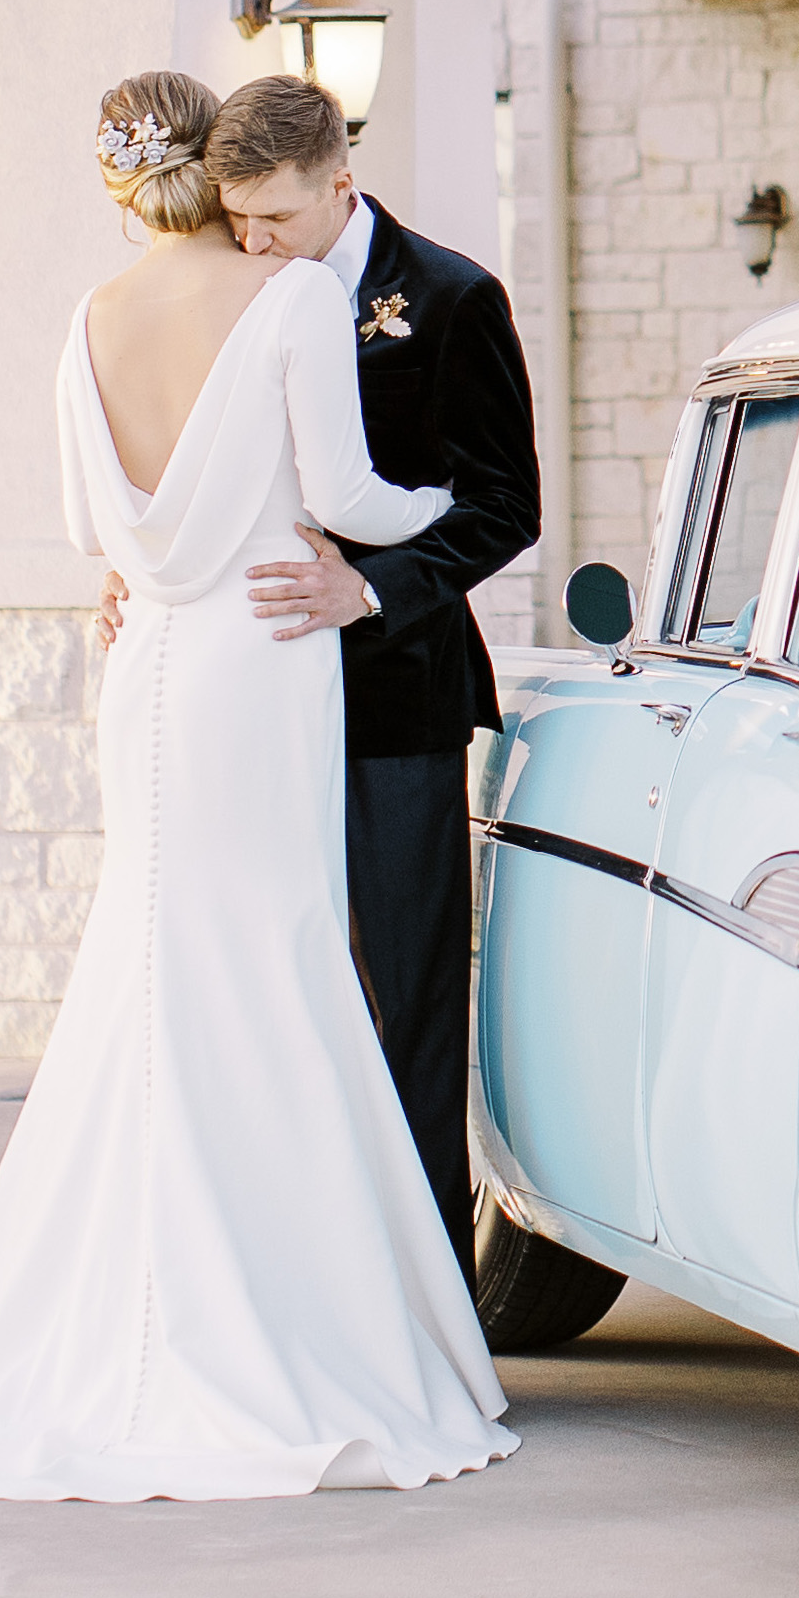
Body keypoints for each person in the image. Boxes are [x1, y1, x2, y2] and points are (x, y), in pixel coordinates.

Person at [0, 72, 515, 1500]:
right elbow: (351, 493)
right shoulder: (279, 299)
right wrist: (374, 531)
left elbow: (86, 519)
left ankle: (117, 1317)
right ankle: (301, 1325)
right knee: (271, 968)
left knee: (158, 962)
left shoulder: (90, 318)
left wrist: (165, 559)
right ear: (215, 175)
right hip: (263, 653)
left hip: (154, 666)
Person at [198, 75, 541, 1253]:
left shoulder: (450, 299)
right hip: (250, 695)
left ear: (339, 182)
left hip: (394, 701)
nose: (253, 242)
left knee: (408, 997)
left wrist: (371, 587)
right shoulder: (230, 288)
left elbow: (506, 504)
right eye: (237, 218)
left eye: (275, 220)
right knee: (277, 991)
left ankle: (427, 1299)